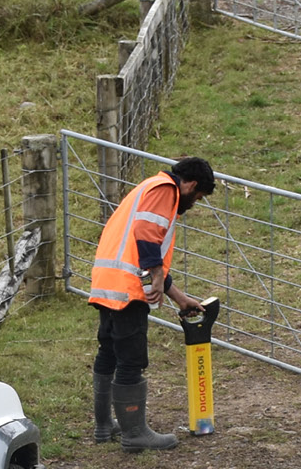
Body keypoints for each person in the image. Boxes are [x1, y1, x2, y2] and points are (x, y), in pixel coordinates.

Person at [86, 156, 215, 452]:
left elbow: (139, 252)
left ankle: (104, 426)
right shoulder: (166, 190)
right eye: (198, 197)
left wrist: (179, 298)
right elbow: (146, 236)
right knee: (131, 360)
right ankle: (134, 434)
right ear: (192, 185)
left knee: (108, 353)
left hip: (108, 283)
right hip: (128, 290)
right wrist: (156, 275)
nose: (195, 203)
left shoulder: (147, 187)